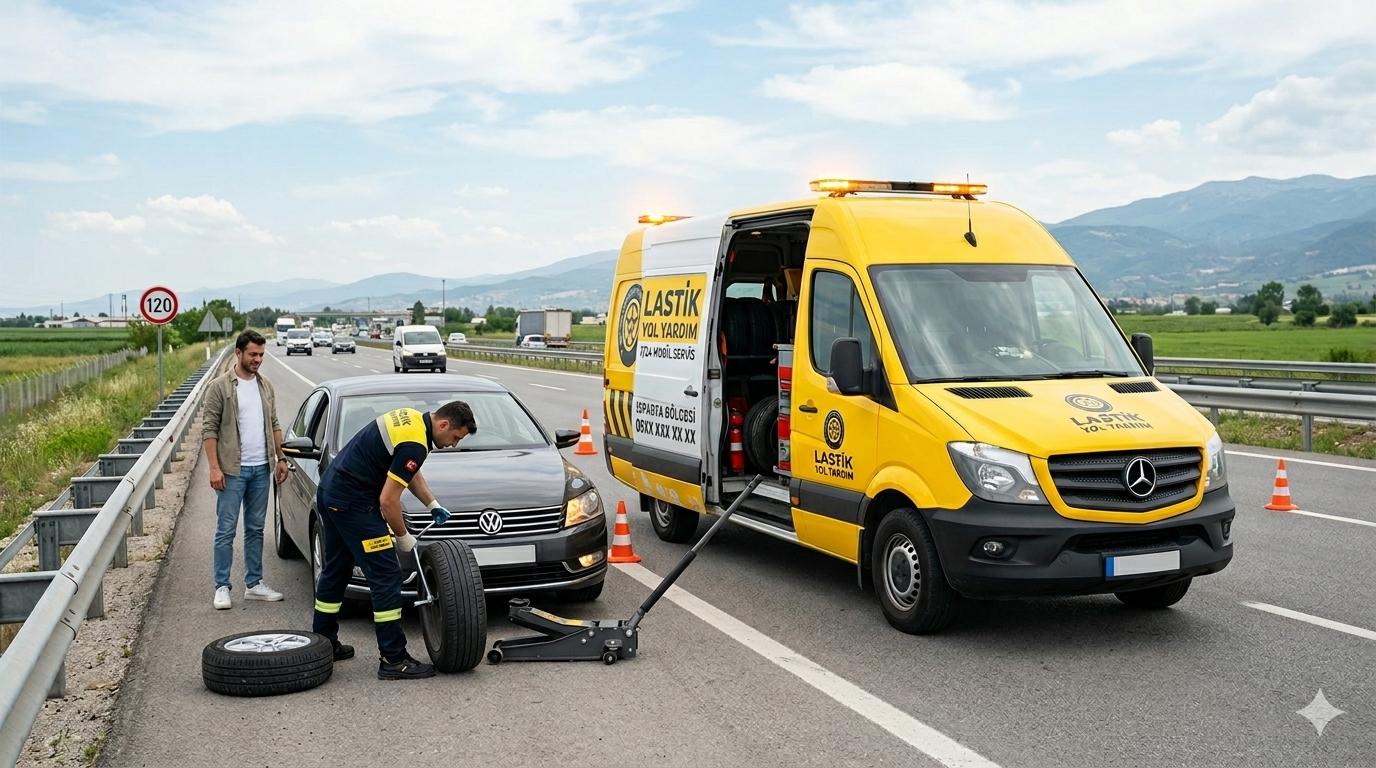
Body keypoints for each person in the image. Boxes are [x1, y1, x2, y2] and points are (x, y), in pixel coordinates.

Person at [310, 400, 476, 679]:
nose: (454, 444)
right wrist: (403, 537)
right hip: (354, 503)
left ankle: (325, 642)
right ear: (444, 424)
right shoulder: (416, 443)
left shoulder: (411, 420)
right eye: (455, 437)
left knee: (336, 568)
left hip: (332, 492)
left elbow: (408, 471)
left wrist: (431, 504)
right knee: (386, 574)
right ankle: (394, 658)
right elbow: (388, 501)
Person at [202, 330, 288, 610]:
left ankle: (254, 584)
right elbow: (209, 429)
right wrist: (214, 468)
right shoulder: (220, 387)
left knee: (255, 529)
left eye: (261, 355)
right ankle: (222, 587)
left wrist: (281, 458)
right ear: (238, 353)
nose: (258, 359)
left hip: (261, 469)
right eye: (253, 354)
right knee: (226, 530)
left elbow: (274, 423)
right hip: (231, 470)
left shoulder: (266, 385)